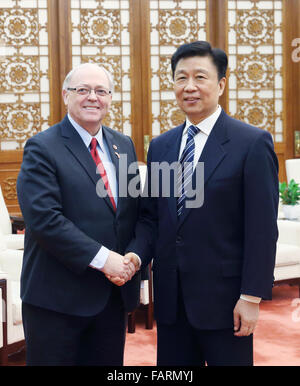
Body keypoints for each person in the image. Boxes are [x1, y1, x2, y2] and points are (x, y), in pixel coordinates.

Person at [126, 41, 279, 366]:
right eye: (181, 78)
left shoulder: (251, 143)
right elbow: (153, 218)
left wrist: (251, 296)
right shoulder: (162, 146)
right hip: (171, 300)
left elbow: (262, 229)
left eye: (200, 77)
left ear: (221, 84)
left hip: (226, 302)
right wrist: (135, 256)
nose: (190, 87)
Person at [17, 63, 140, 366]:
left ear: (110, 98)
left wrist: (135, 255)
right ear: (66, 95)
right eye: (82, 90)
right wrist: (104, 259)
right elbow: (45, 219)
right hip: (57, 301)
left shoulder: (123, 145)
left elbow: (134, 212)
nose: (92, 98)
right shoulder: (42, 147)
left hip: (111, 298)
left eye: (101, 91)